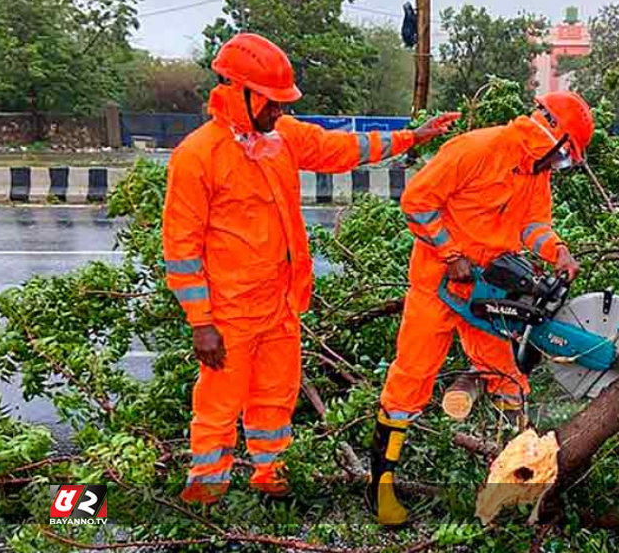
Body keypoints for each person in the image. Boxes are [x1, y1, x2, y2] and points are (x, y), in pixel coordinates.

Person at [162, 32, 458, 505]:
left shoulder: (280, 139)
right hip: (229, 314)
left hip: (280, 304)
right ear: (241, 92)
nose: (281, 111)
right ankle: (206, 495)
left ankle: (270, 478)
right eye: (274, 102)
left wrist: (411, 138)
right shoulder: (198, 157)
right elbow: (181, 248)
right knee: (218, 406)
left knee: (276, 399)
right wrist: (201, 323)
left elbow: (342, 148)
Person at [367, 91, 594, 525]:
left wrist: (558, 251)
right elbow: (417, 201)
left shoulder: (534, 171)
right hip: (438, 285)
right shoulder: (478, 148)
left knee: (508, 380)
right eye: (564, 157)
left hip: (488, 290)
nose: (559, 166)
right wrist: (450, 253)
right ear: (552, 137)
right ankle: (381, 490)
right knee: (410, 381)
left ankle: (516, 481)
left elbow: (533, 225)